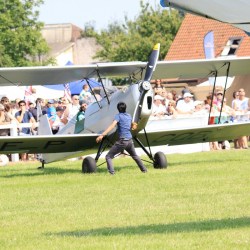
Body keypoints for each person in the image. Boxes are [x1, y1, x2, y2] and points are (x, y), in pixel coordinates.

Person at [96, 102, 147, 175]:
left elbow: (112, 126)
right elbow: (133, 125)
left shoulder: (118, 116)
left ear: (118, 109)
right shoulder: (129, 116)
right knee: (135, 156)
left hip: (122, 141)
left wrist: (102, 135)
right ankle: (144, 170)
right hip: (129, 140)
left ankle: (112, 173)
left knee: (108, 157)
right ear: (125, 108)